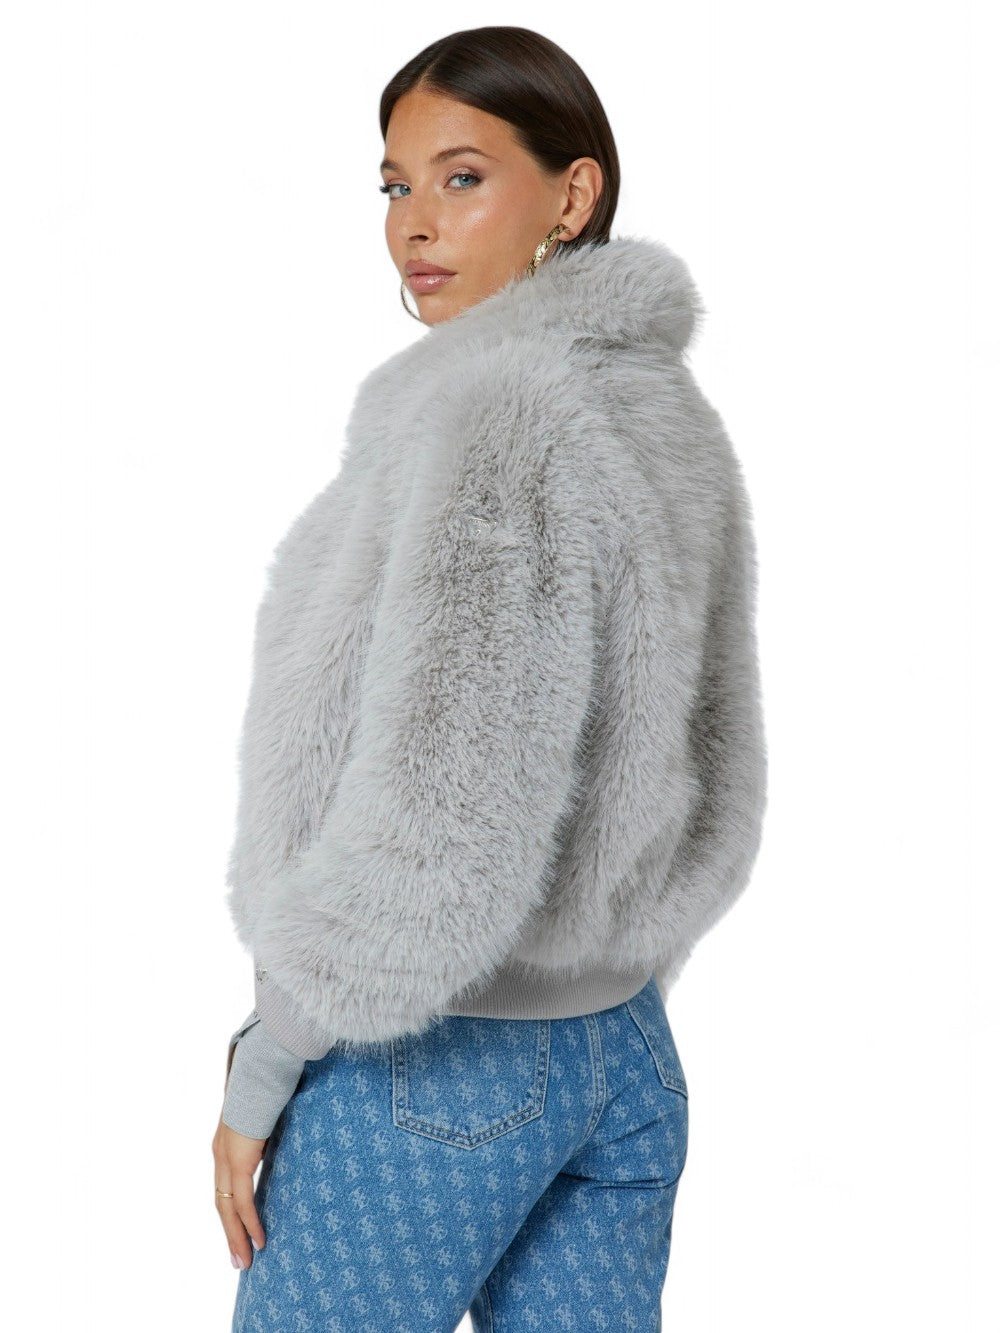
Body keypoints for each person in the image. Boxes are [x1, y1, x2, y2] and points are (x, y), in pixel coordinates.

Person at [212, 24, 768, 1333]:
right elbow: (714, 759)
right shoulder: (667, 414)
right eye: (396, 185)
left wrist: (267, 1060)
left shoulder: (492, 420)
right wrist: (614, 975)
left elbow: (440, 805)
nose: (414, 222)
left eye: (463, 177)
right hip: (625, 1058)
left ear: (572, 197)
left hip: (440, 1066)